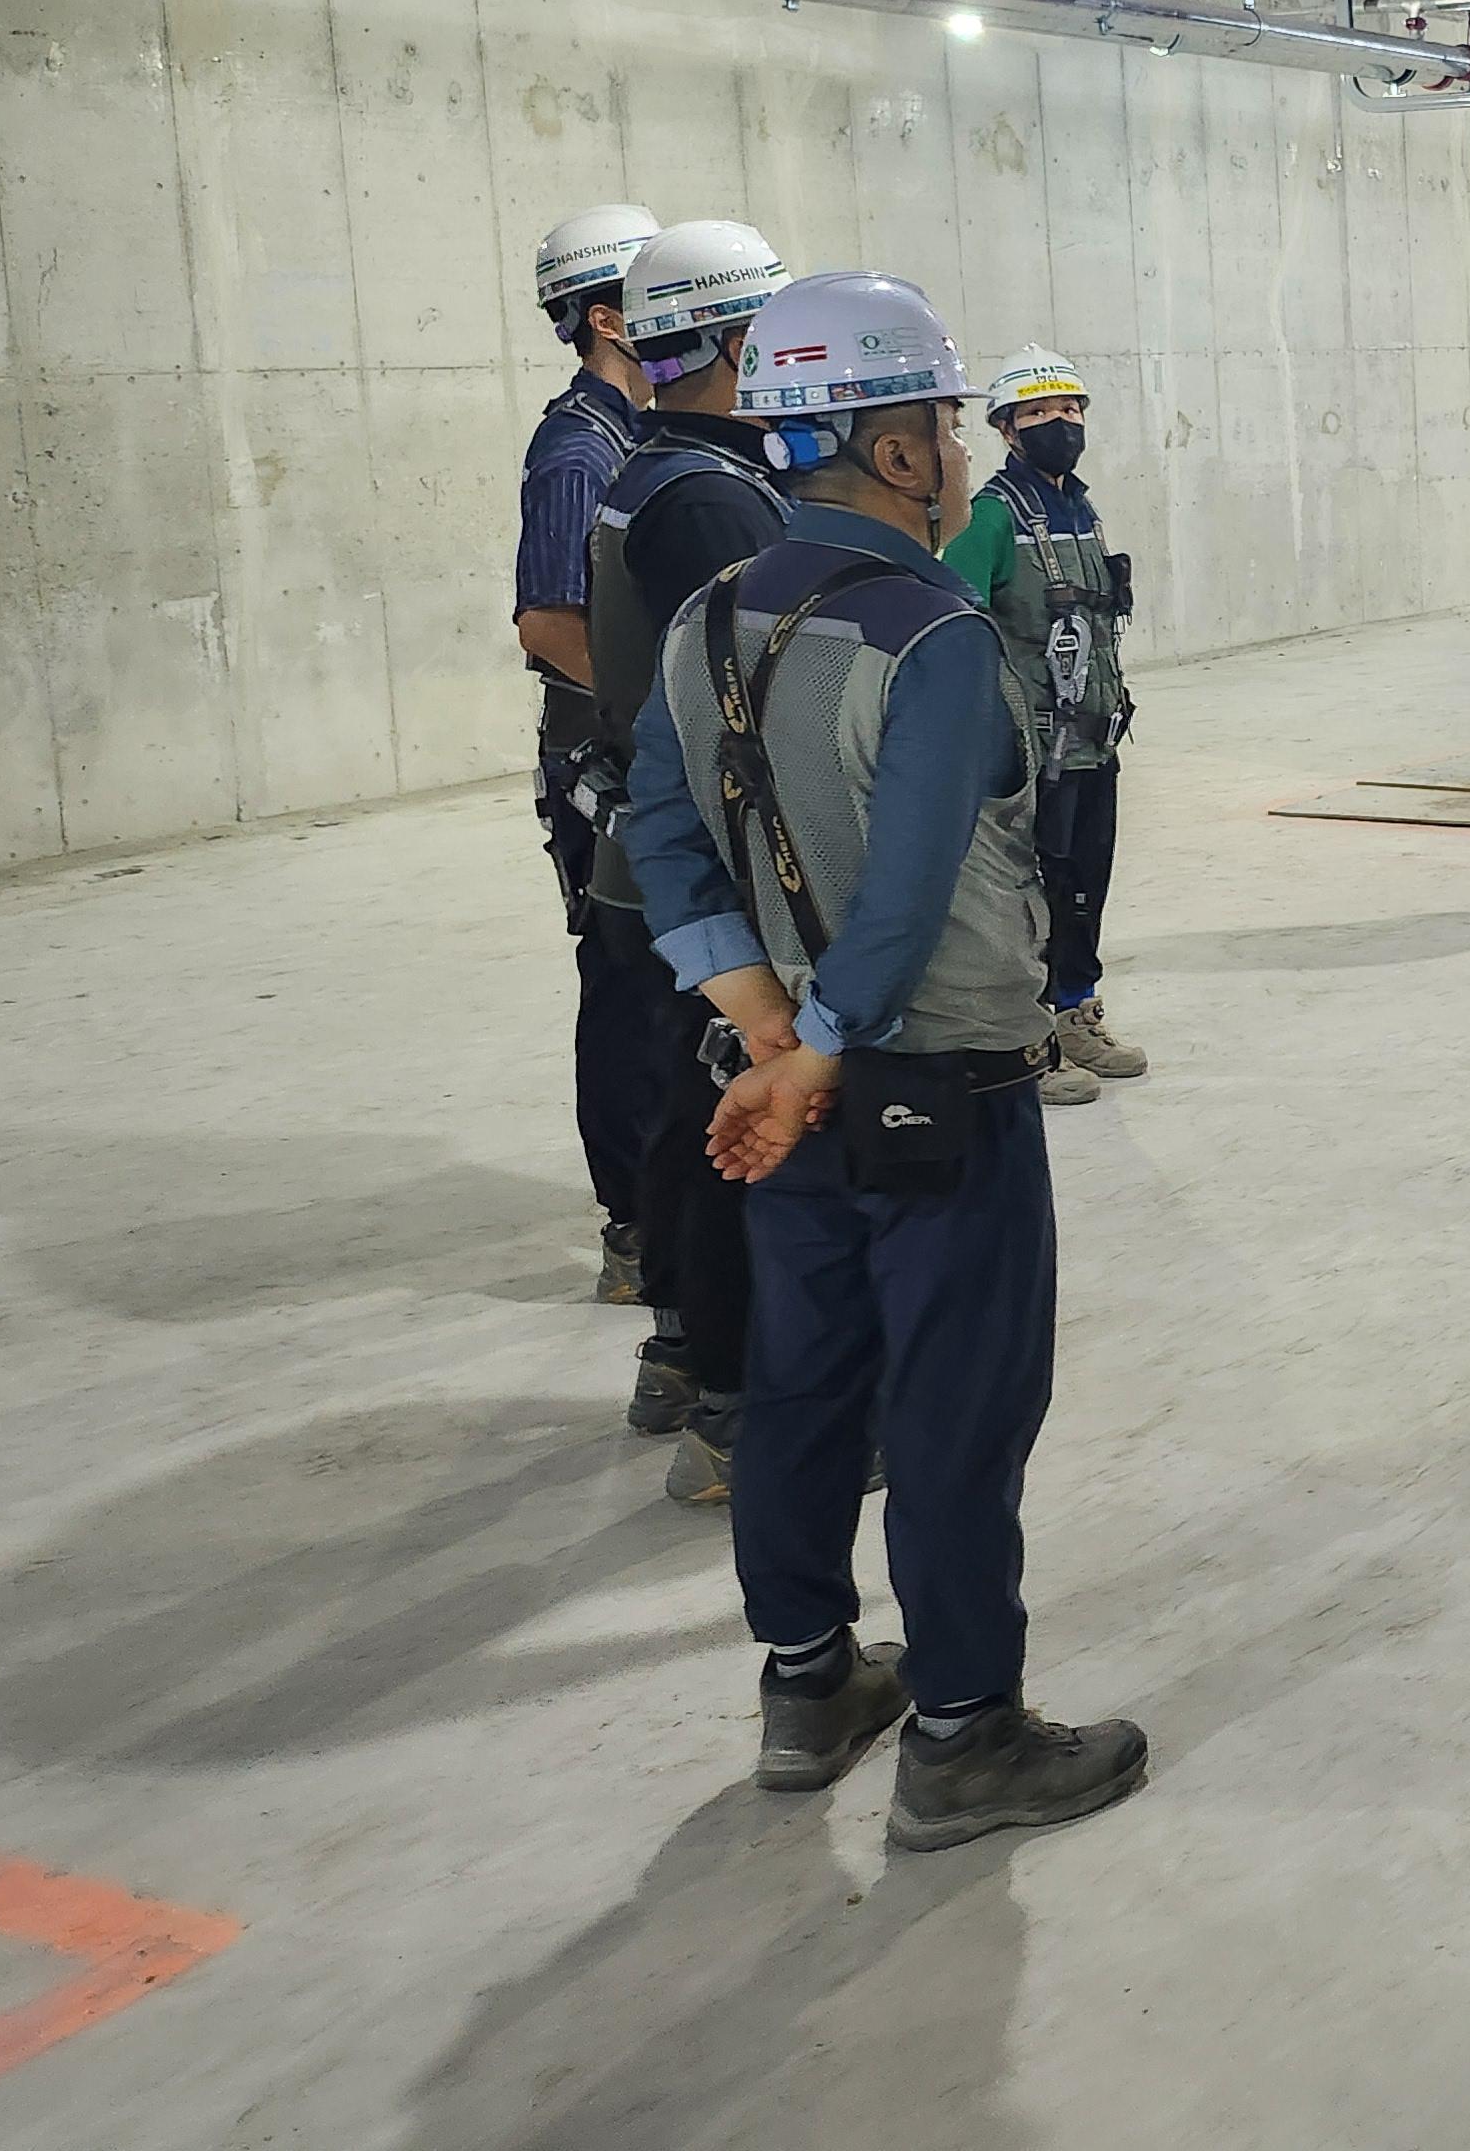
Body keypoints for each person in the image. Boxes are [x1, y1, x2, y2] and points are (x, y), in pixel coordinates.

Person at [621, 270, 1148, 1851]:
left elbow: (661, 829)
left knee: (804, 1385)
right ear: (900, 450)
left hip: (788, 1094)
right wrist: (828, 1044)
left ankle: (807, 1684)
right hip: (940, 1094)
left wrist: (767, 1030)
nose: (964, 455)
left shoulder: (709, 620)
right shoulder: (931, 634)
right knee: (955, 1410)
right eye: (947, 428)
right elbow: (910, 889)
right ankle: (965, 1733)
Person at [581, 219, 793, 1504]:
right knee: (733, 1134)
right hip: (706, 863)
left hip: (651, 856)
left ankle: (677, 1357)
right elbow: (762, 697)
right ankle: (733, 1408)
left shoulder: (654, 468)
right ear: (729, 339)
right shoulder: (714, 497)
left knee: (682, 1115)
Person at [516, 201, 663, 1304]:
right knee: (624, 988)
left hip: (642, 749)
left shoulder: (642, 438)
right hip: (604, 765)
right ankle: (635, 1227)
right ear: (607, 318)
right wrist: (657, 716)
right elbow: (548, 623)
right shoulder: (579, 451)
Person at [947, 349, 1143, 1110]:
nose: (1060, 423)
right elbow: (959, 626)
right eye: (1038, 413)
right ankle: (1027, 1038)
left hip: (1093, 741)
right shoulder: (991, 517)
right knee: (1030, 892)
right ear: (1005, 429)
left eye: (1070, 410)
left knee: (1086, 882)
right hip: (1032, 749)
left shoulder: (1081, 511)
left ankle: (1076, 1012)